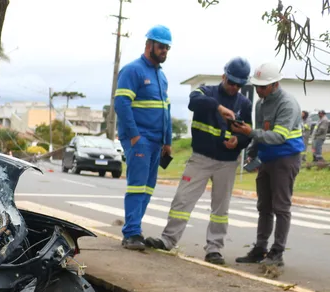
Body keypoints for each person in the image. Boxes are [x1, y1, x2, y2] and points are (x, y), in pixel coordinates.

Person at [144, 57, 253, 265]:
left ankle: (214, 249)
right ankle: (168, 240)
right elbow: (194, 101)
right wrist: (218, 108)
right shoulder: (206, 92)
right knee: (182, 199)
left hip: (227, 163)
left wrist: (238, 141)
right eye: (231, 82)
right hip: (200, 159)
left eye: (239, 85)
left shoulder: (244, 104)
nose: (234, 87)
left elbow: (248, 134)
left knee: (220, 209)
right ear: (223, 76)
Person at [232, 61, 306, 267]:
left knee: (281, 207)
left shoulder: (287, 104)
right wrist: (252, 151)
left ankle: (277, 253)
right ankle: (260, 249)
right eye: (257, 86)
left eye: (263, 87)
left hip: (285, 158)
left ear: (275, 84)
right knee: (264, 206)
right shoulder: (260, 104)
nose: (259, 90)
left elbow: (278, 137)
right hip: (267, 158)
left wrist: (250, 133)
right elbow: (260, 132)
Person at [113, 25, 174, 251]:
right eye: (161, 46)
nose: (164, 51)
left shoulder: (161, 76)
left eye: (167, 47)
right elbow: (121, 104)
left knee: (147, 188)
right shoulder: (133, 70)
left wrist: (167, 141)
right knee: (137, 186)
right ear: (149, 45)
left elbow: (166, 110)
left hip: (157, 142)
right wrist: (134, 136)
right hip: (140, 139)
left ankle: (135, 229)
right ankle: (131, 233)